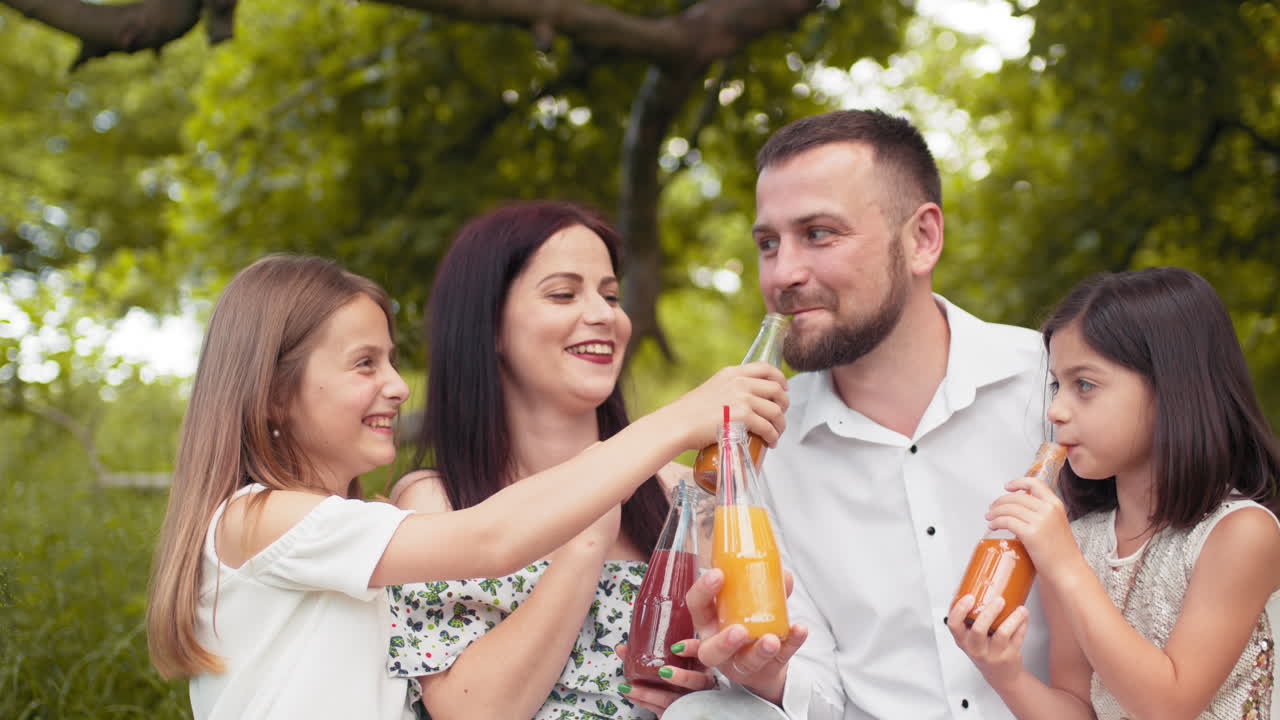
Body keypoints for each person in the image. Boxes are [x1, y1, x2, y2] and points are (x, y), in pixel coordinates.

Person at [144, 253, 787, 720]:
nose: (396, 386)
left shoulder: (356, 522)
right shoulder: (263, 521)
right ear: (276, 395)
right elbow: (490, 537)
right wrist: (679, 420)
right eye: (364, 363)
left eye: (392, 360)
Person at [670, 109, 1054, 719]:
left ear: (922, 239)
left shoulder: (1054, 388)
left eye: (819, 233)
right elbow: (819, 690)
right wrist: (768, 674)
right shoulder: (767, 448)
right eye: (768, 244)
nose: (783, 274)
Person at [385, 202, 726, 719]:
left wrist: (722, 679)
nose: (604, 314)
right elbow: (471, 712)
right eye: (564, 294)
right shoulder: (436, 502)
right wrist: (588, 532)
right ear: (490, 327)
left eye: (610, 295)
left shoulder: (688, 494)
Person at [948, 266, 1280, 718]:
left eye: (1085, 385)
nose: (1056, 410)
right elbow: (1078, 708)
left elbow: (1168, 706)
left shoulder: (1242, 533)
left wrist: (1064, 564)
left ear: (1170, 387)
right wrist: (1002, 671)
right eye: (1056, 385)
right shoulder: (1078, 539)